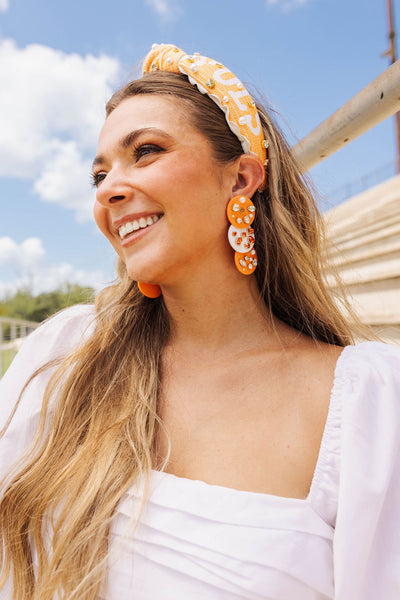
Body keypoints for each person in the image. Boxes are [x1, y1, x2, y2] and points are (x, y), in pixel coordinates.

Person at [0, 43, 399, 600]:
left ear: (239, 180)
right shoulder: (64, 356)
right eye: (99, 175)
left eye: (145, 151)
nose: (110, 190)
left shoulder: (366, 401)